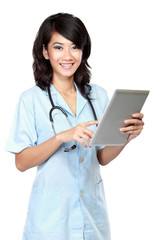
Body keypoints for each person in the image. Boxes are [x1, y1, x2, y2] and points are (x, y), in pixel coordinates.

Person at [5, 13, 144, 240]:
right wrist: (60, 137)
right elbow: (21, 162)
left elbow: (101, 157)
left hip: (91, 219)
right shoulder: (30, 100)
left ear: (83, 51)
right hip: (50, 220)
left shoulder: (97, 96)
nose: (68, 56)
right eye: (58, 47)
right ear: (45, 51)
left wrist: (126, 137)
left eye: (75, 47)